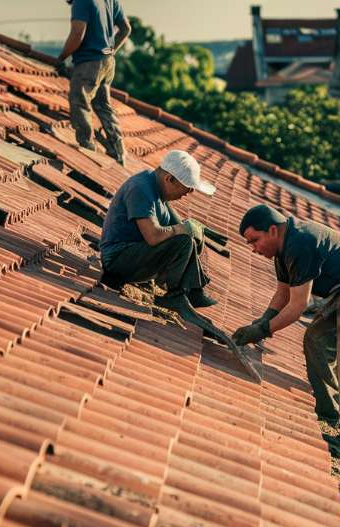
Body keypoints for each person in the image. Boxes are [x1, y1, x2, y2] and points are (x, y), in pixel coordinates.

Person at [233, 205, 340, 452]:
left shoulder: (300, 242)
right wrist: (262, 321)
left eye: (255, 240)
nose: (253, 248)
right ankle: (329, 411)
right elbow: (282, 293)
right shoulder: (282, 250)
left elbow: (298, 305)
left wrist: (262, 331)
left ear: (273, 230)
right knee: (314, 339)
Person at [100, 150, 217, 310]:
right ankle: (175, 295)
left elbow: (181, 228)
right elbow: (153, 236)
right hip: (117, 261)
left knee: (188, 238)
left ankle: (193, 291)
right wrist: (183, 229)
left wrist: (194, 231)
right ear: (169, 179)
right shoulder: (140, 189)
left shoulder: (157, 190)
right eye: (187, 188)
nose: (189, 193)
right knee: (182, 242)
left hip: (134, 256)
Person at [57, 0, 130, 164]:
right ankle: (117, 148)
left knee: (79, 101)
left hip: (89, 64)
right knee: (103, 105)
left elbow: (77, 34)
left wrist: (61, 58)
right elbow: (126, 29)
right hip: (107, 62)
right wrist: (110, 51)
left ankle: (87, 149)